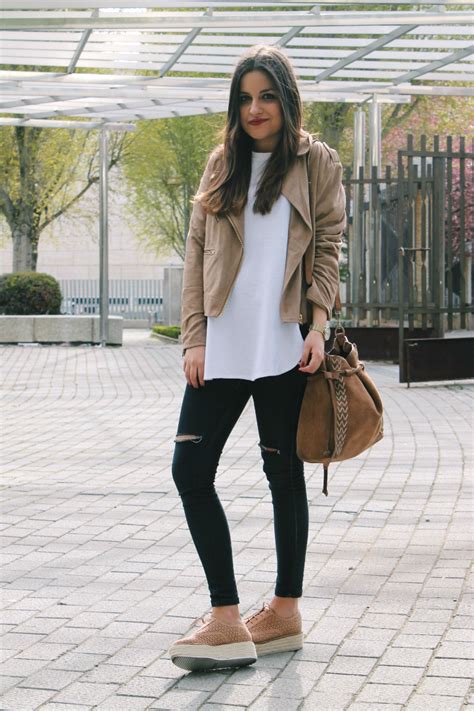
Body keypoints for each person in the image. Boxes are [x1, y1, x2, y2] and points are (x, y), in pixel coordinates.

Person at [168, 44, 346, 673]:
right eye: (245, 98)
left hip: (284, 344)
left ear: (287, 99)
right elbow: (195, 253)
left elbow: (328, 245)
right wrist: (194, 337)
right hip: (220, 341)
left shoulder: (314, 160)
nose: (255, 109)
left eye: (266, 95)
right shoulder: (223, 162)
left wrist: (318, 325)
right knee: (189, 468)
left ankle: (284, 611)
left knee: (283, 475)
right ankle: (224, 616)